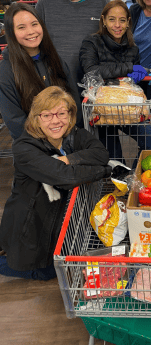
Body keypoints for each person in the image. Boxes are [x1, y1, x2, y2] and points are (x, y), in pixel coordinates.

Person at [0, 86, 110, 280]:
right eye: (47, 115)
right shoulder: (24, 148)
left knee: (67, 263)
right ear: (37, 118)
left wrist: (69, 159)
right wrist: (105, 171)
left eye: (61, 113)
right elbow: (66, 177)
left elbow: (101, 153)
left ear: (70, 114)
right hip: (30, 227)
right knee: (49, 272)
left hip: (55, 221)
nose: (56, 121)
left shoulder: (74, 134)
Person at [79, 0, 151, 165]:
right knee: (114, 157)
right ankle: (121, 182)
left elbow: (133, 84)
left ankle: (133, 178)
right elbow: (91, 71)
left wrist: (138, 80)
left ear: (128, 22)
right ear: (103, 21)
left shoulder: (132, 48)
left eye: (122, 20)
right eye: (112, 19)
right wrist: (129, 68)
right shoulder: (91, 42)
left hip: (125, 107)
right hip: (101, 110)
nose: (117, 25)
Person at [0, 2, 82, 140]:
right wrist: (48, 143)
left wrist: (70, 133)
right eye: (21, 27)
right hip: (33, 147)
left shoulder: (55, 59)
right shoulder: (6, 71)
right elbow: (15, 121)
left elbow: (72, 100)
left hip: (66, 139)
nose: (31, 31)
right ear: (11, 33)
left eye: (34, 24)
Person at [36, 0, 109, 86]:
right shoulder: (44, 3)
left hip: (95, 81)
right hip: (57, 81)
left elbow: (113, 40)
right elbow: (35, 39)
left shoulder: (101, 1)